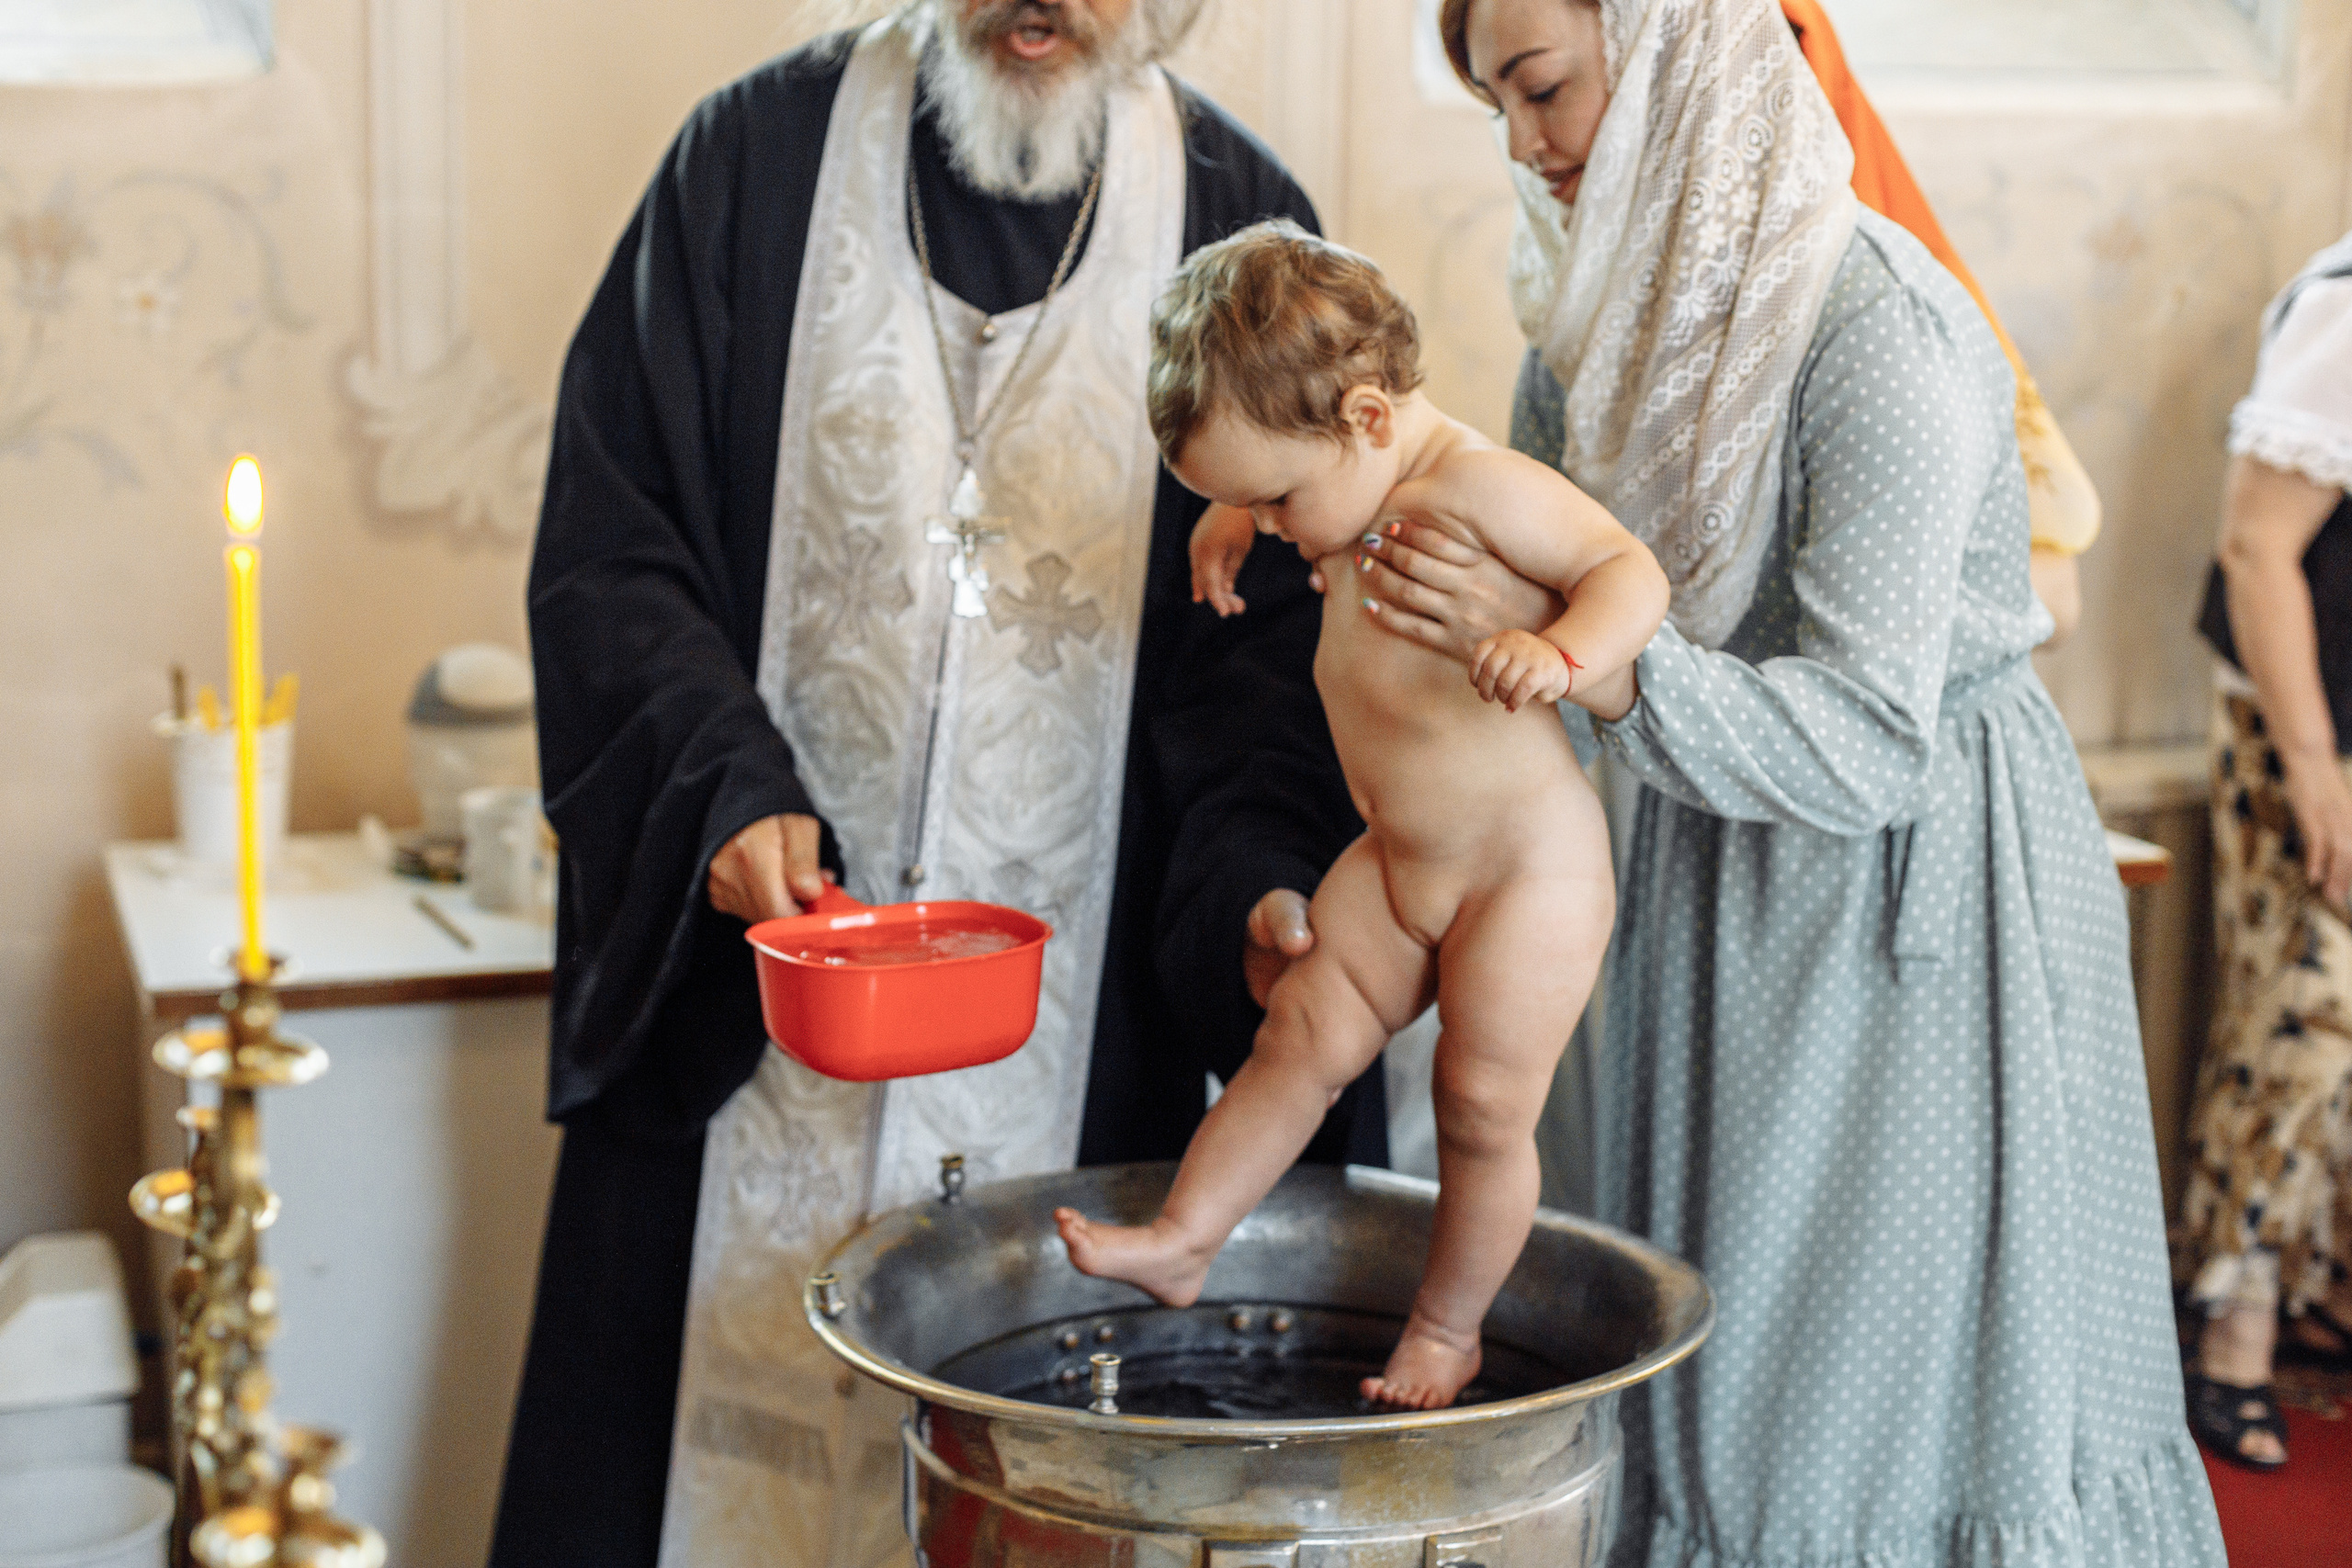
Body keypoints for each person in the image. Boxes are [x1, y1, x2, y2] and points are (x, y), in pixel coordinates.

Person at [1334, 0, 2228, 1561]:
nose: (1527, 146)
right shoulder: (1589, 334)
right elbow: (1503, 620)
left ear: (1677, 44)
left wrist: (1595, 663)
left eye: (1542, 86)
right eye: (1495, 108)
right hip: (1677, 880)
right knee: (1681, 1348)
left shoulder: (1878, 321)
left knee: (1844, 1404)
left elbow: (1874, 736)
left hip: (1888, 914)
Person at [494, 5, 1386, 1564]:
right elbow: (609, 550)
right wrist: (718, 791)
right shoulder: (748, 166)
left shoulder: (1251, 234)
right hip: (752, 1046)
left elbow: (1272, 689)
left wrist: (1257, 884)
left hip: (1082, 1062)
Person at [1055, 221, 1668, 1408]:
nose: (1275, 530)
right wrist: (1235, 509)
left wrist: (1561, 649)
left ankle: (1447, 1330)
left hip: (1525, 873)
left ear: (1370, 419)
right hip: (1395, 857)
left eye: (1275, 500)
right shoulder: (1344, 483)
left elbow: (1627, 569)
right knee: (1296, 1039)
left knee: (1482, 1108)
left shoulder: (1479, 486)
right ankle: (1187, 1239)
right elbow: (1294, 486)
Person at [2176, 229, 2352, 1472]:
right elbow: (2258, 548)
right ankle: (2230, 1328)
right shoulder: (2349, 306)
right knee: (2304, 1012)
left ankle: (2322, 1295)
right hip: (2312, 722)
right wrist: (2318, 777)